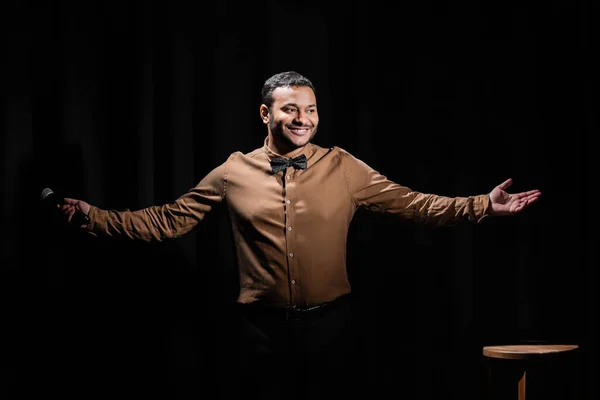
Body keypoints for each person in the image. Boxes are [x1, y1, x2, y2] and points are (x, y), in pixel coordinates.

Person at [58, 71, 541, 399]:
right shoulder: (232, 172)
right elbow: (168, 220)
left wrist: (482, 205)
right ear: (265, 115)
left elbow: (414, 203)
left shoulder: (343, 167)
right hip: (257, 333)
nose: (303, 119)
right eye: (290, 109)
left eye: (310, 109)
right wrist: (94, 217)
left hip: (331, 329)